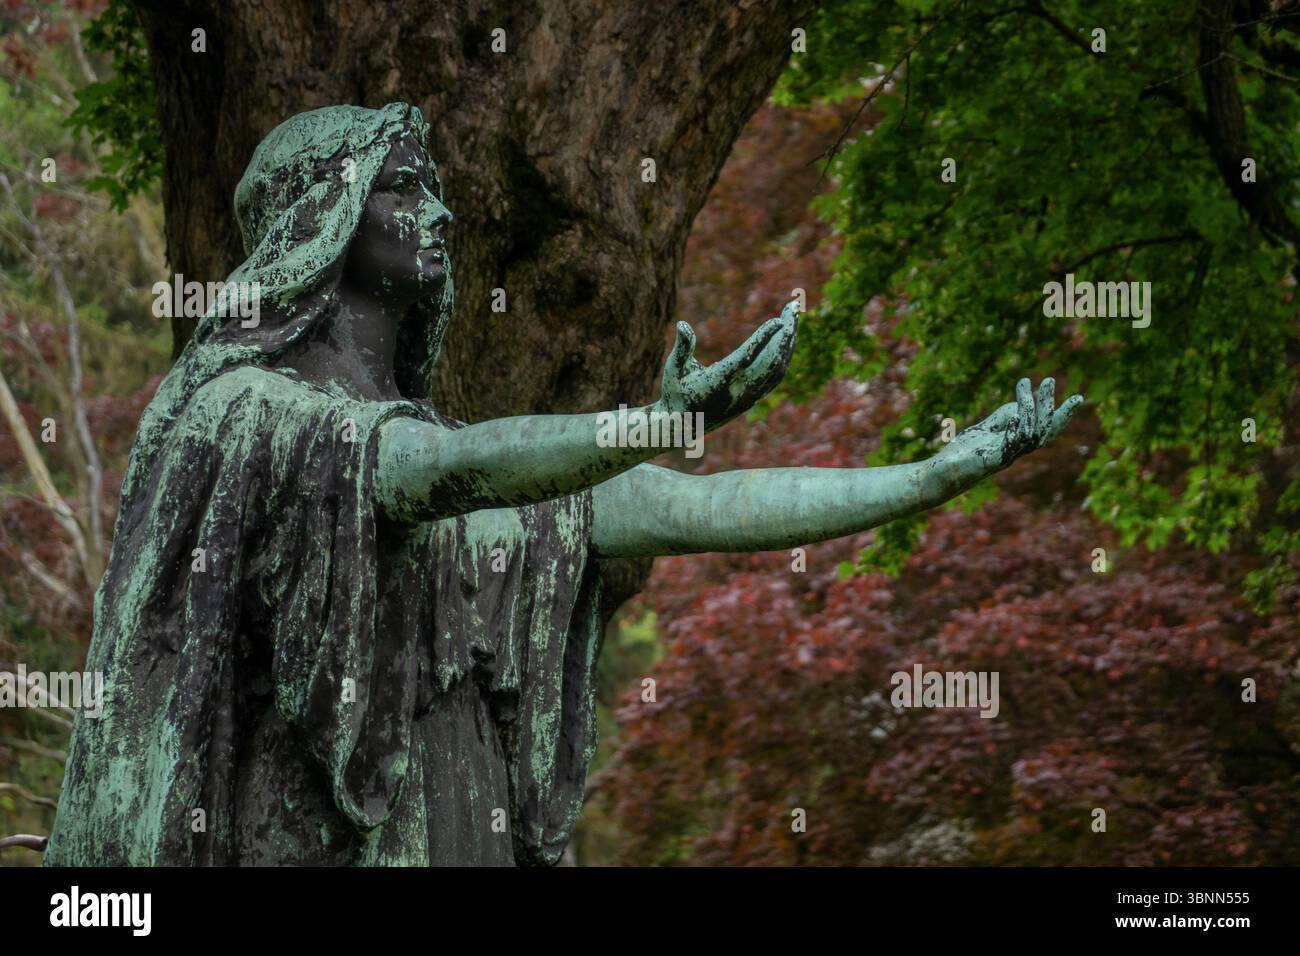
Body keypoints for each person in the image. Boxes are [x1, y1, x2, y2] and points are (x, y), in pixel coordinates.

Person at [45, 103, 1080, 866]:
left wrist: (939, 471)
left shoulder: (439, 449)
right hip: (331, 832)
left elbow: (691, 506)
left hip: (462, 813)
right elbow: (441, 469)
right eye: (406, 186)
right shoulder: (252, 415)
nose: (441, 211)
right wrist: (657, 417)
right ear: (324, 216)